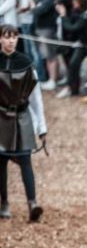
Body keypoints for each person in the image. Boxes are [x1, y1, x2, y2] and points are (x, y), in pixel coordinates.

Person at [0, 24, 47, 222]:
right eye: (7, 37)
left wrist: (42, 127)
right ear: (0, 39)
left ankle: (32, 203)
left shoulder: (26, 62)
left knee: (25, 160)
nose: (11, 41)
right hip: (1, 117)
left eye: (14, 37)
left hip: (22, 117)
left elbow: (36, 97)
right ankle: (4, 203)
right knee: (1, 162)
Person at [55, 0, 87, 98]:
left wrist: (63, 15)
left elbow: (72, 28)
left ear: (80, 4)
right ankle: (73, 89)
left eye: (75, 2)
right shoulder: (79, 13)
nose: (73, 4)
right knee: (73, 64)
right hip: (82, 43)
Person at [31, 0, 60, 91]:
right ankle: (50, 78)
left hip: (48, 28)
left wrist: (34, 6)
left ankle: (53, 80)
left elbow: (39, 10)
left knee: (50, 55)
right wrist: (35, 4)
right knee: (45, 55)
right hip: (39, 27)